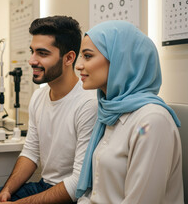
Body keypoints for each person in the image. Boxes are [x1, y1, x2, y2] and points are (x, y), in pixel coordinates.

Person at [0, 16, 98, 204]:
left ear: (69, 58)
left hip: (70, 196)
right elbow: (30, 153)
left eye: (42, 53)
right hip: (44, 185)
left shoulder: (88, 104)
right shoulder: (39, 97)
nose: (31, 60)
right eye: (32, 52)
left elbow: (78, 183)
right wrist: (6, 192)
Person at [75, 20, 184, 204]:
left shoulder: (151, 123)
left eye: (87, 56)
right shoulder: (109, 112)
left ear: (120, 61)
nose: (78, 65)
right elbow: (94, 193)